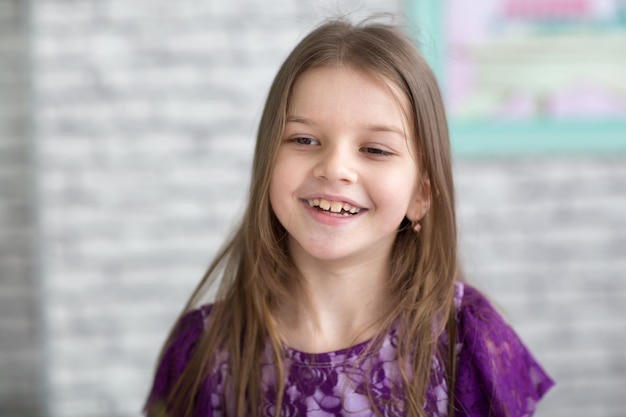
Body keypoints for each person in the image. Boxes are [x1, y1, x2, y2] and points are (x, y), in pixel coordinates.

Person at [144, 16, 554, 417]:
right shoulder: (201, 352)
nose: (335, 168)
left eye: (375, 149)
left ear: (421, 196)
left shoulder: (466, 342)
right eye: (304, 139)